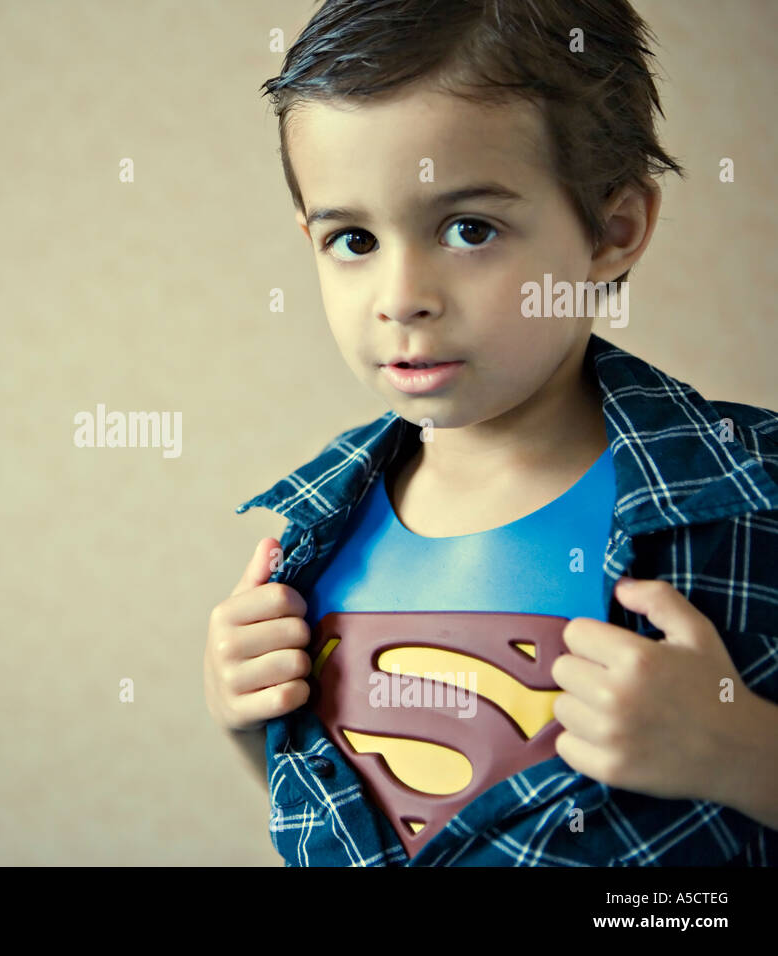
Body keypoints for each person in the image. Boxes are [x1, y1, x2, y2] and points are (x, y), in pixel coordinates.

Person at [204, 0, 778, 865]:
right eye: (353, 238)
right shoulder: (310, 539)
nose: (402, 295)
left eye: (469, 230)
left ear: (611, 232)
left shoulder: (757, 491)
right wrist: (249, 724)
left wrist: (742, 754)